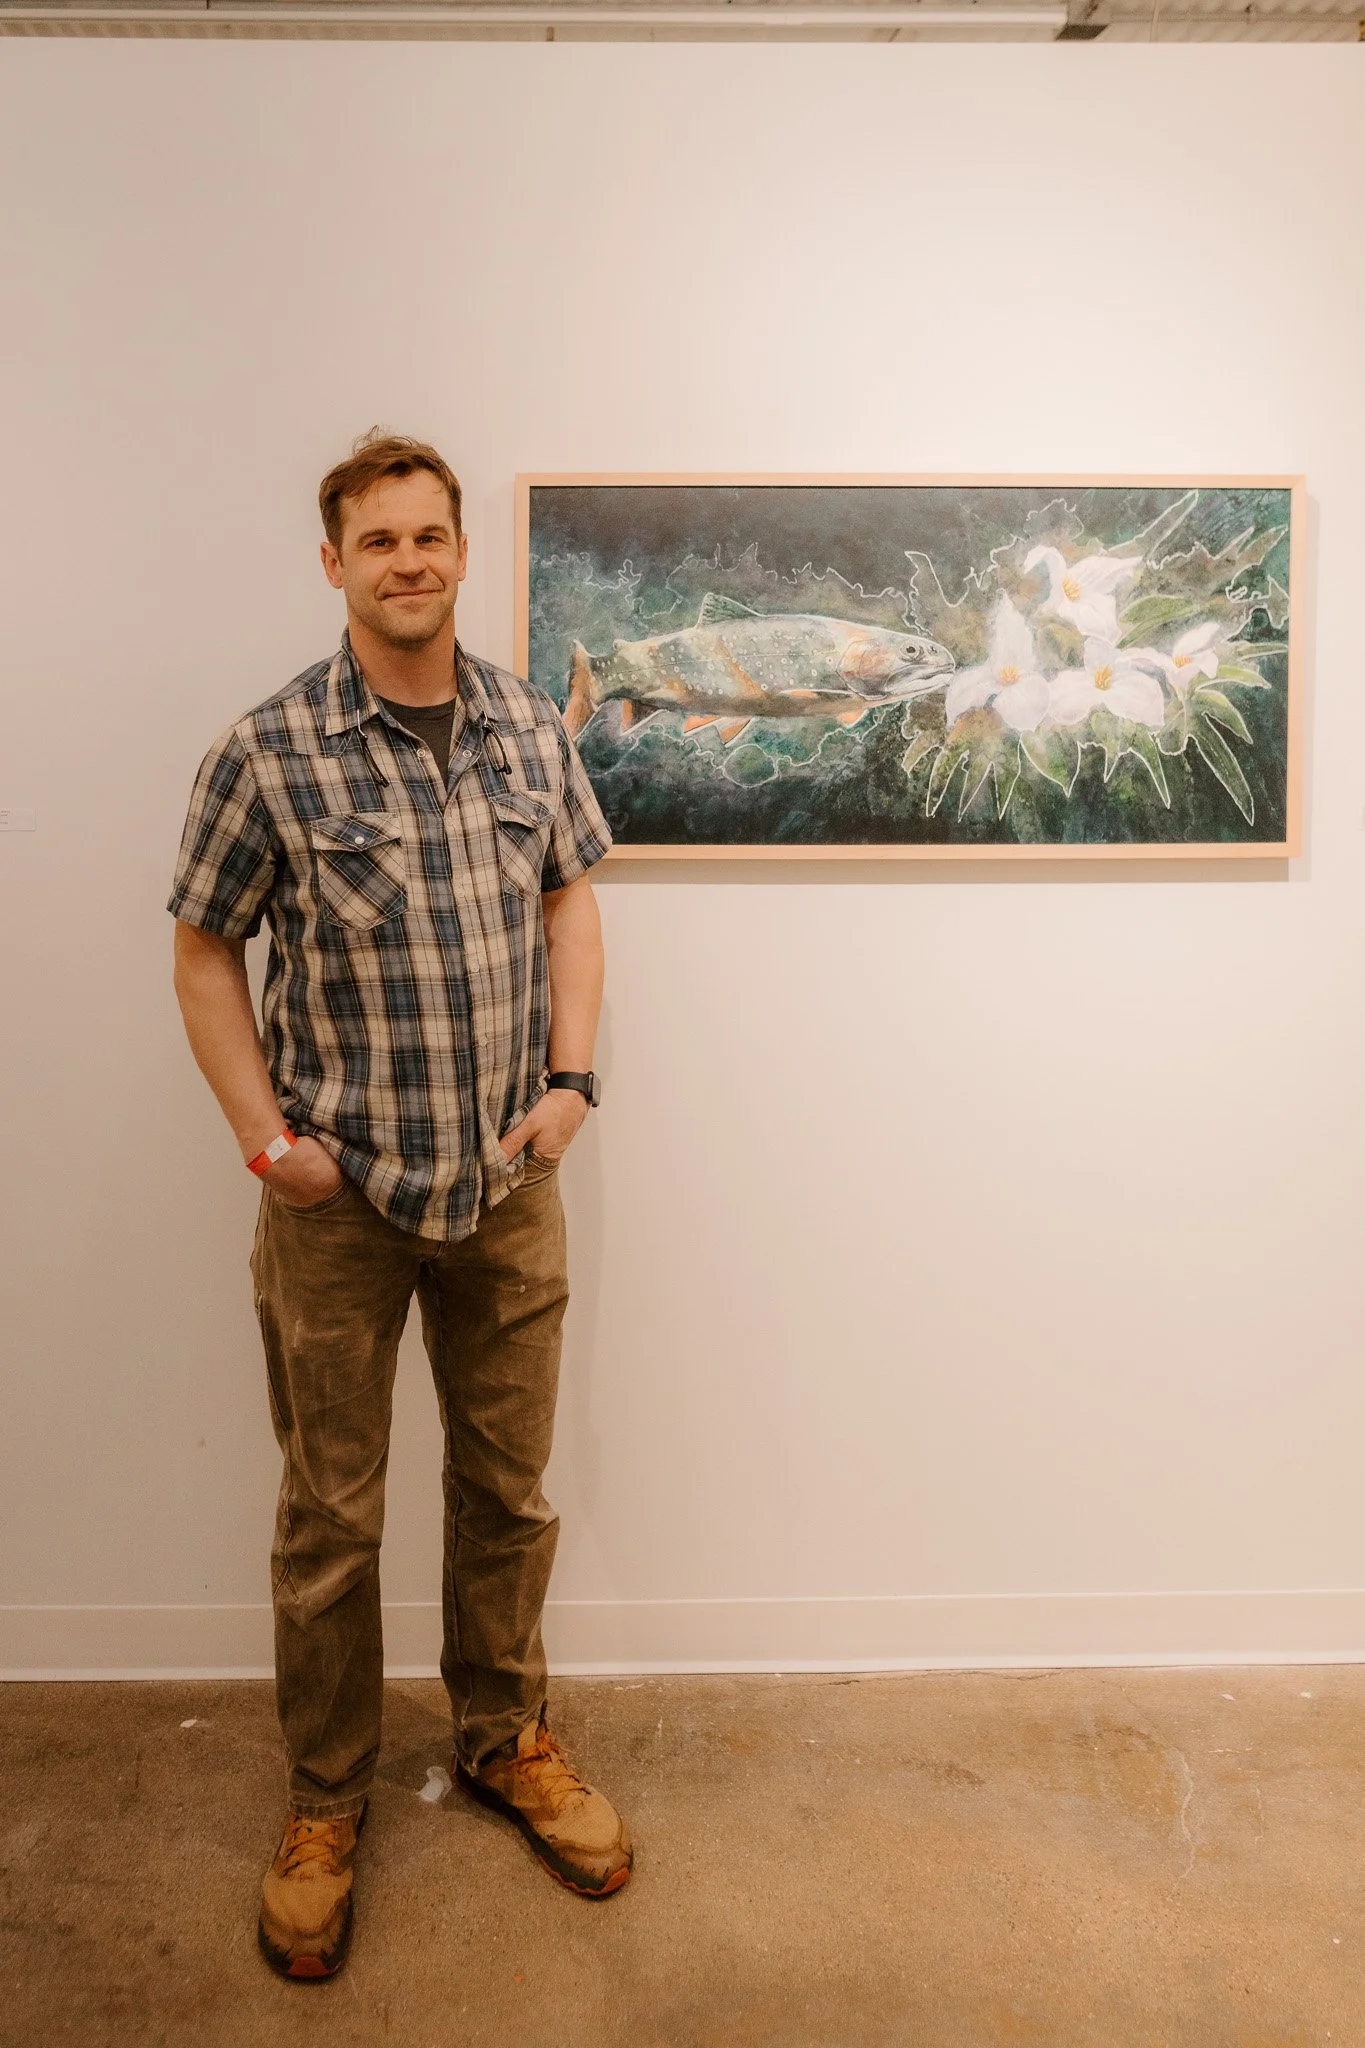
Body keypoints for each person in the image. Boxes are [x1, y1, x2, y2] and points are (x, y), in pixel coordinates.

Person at [168, 430, 629, 1982]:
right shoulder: (269, 749)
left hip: (508, 1188)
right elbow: (204, 949)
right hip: (339, 1206)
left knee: (510, 1495)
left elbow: (572, 894)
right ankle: (324, 1802)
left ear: (458, 553)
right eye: (381, 542)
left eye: (432, 536)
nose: (412, 561)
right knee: (328, 1521)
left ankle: (505, 1737)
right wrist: (262, 1140)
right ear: (335, 563)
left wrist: (573, 1083)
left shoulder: (523, 730)